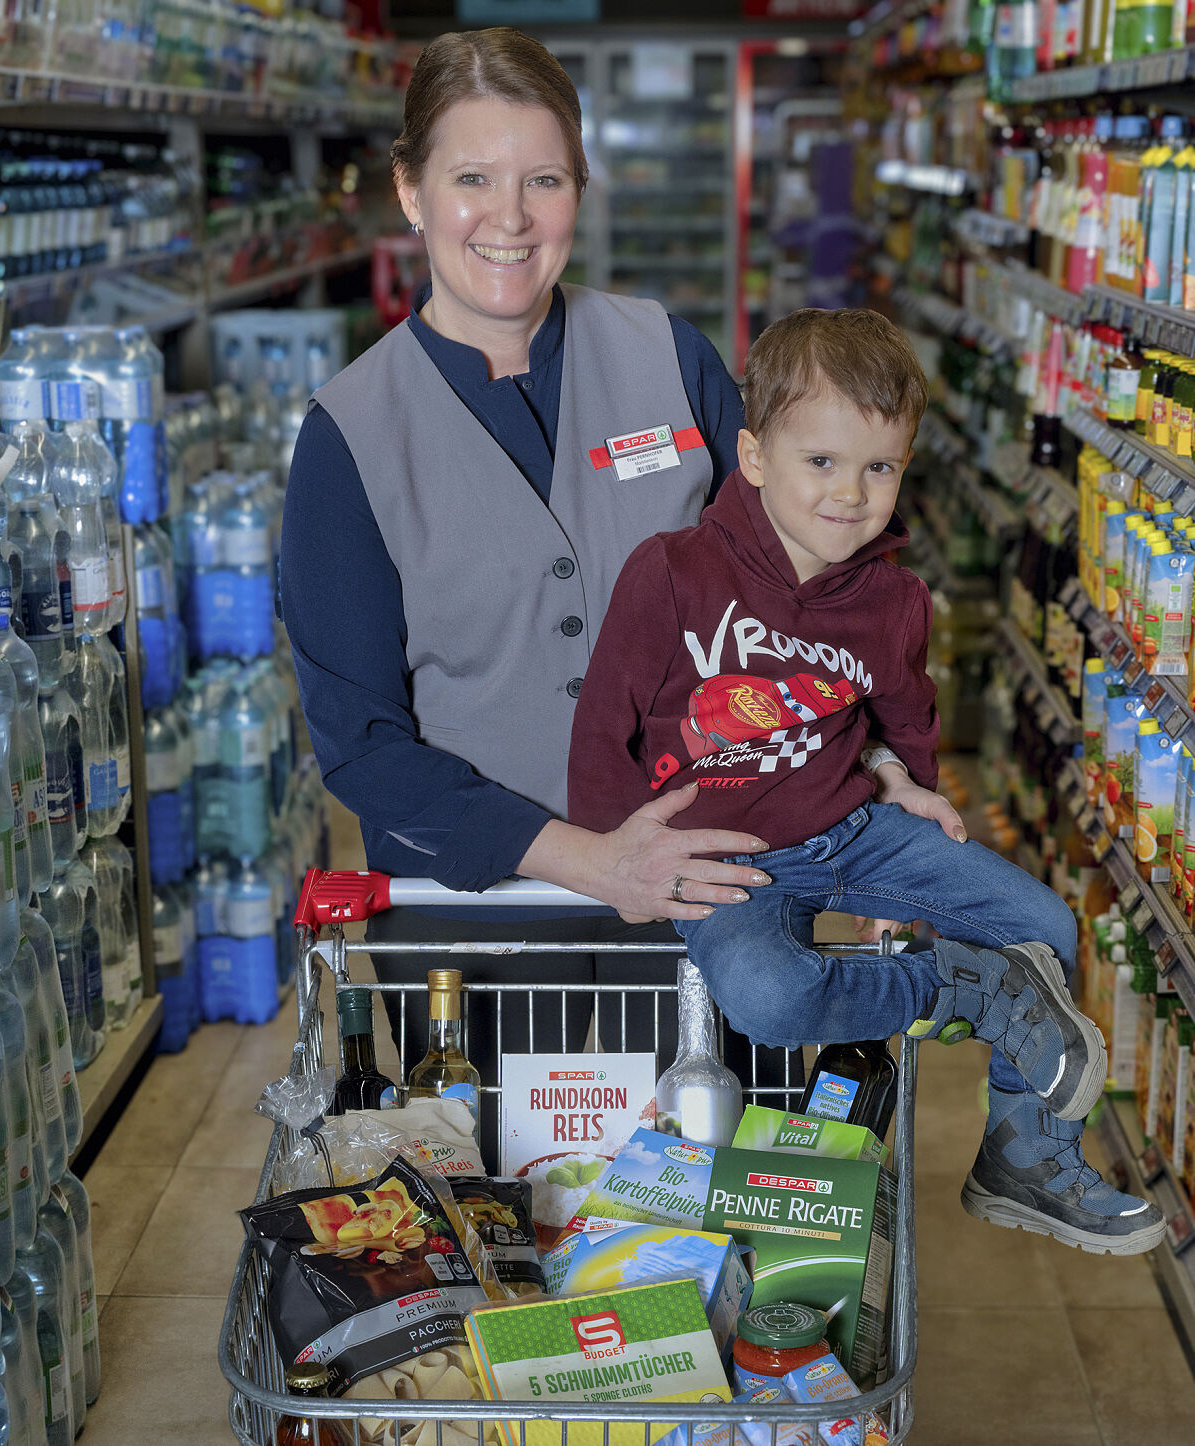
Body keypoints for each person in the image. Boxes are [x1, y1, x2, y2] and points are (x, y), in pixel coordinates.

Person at [279, 28, 961, 1106]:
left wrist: (875, 769)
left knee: (705, 1195)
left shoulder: (665, 356)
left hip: (721, 879)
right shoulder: (348, 438)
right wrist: (583, 859)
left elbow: (812, 587)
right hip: (480, 910)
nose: (508, 219)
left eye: (541, 180)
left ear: (577, 194)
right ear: (409, 192)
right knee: (502, 1207)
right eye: (471, 179)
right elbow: (360, 745)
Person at [568, 307, 1165, 1255]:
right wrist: (617, 856)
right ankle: (962, 991)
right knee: (767, 999)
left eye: (879, 467)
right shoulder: (671, 573)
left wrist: (905, 780)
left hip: (853, 833)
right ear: (754, 455)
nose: (851, 494)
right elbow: (601, 731)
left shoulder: (894, 600)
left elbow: (903, 717)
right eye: (822, 463)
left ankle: (1025, 1154)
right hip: (724, 862)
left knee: (1046, 926)